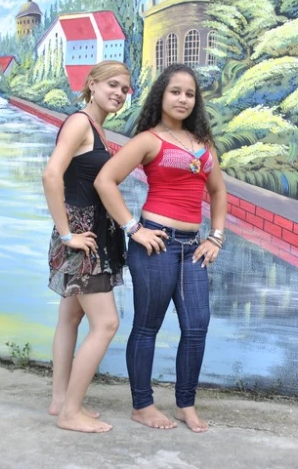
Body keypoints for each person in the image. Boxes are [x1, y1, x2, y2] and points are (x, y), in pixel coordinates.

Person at [94, 63, 227, 433]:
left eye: (189, 93)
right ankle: (142, 405)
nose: (183, 99)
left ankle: (186, 403)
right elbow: (106, 180)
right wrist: (133, 228)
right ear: (161, 96)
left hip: (192, 248)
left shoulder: (204, 145)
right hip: (156, 243)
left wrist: (216, 236)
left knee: (197, 326)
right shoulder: (149, 140)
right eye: (175, 92)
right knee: (148, 327)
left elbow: (217, 191)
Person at [41, 60, 131, 433]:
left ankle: (61, 399)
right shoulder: (80, 122)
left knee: (71, 318)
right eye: (112, 85)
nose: (119, 94)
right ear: (91, 84)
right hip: (83, 240)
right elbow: (51, 175)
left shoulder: (97, 128)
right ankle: (70, 413)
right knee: (106, 323)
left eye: (125, 90)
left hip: (89, 235)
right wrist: (67, 235)